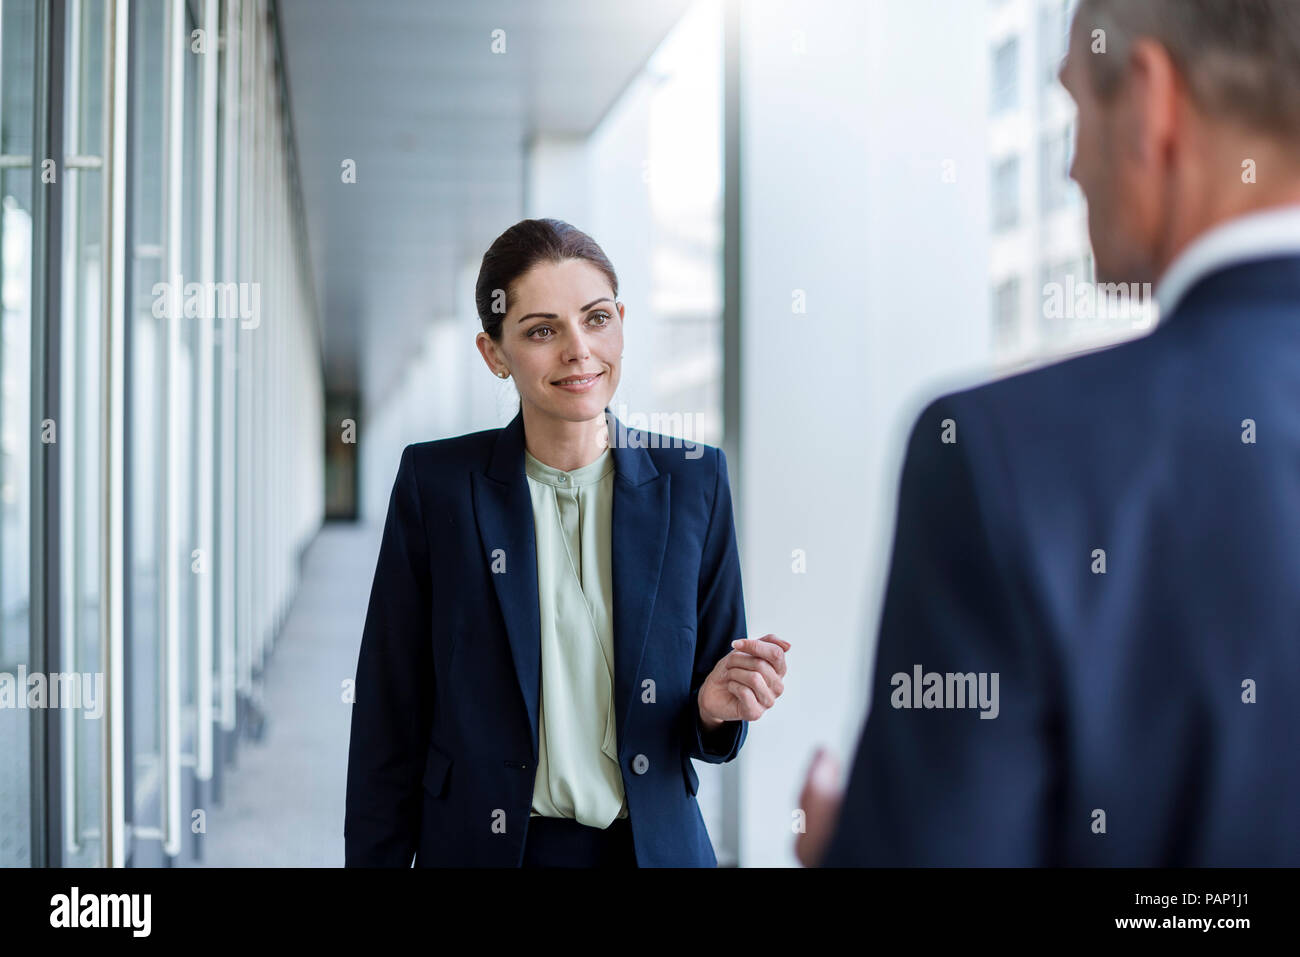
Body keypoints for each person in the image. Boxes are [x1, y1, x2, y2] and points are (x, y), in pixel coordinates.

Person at [799, 0, 1300, 866]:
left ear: (1149, 102)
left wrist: (857, 845)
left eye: (1077, 109)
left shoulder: (998, 459)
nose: (1071, 167)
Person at [345, 218, 788, 867]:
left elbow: (707, 715)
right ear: (494, 353)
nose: (579, 349)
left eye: (597, 318)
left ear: (622, 321)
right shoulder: (436, 486)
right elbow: (390, 712)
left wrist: (718, 706)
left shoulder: (695, 479)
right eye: (543, 330)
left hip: (650, 849)